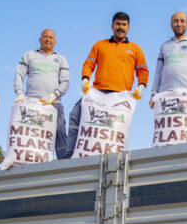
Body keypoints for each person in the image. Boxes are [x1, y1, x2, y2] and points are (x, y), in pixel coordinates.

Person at [63, 11, 149, 158]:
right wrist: (85, 79)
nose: (120, 28)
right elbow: (89, 64)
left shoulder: (135, 49)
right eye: (118, 24)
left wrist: (142, 86)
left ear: (128, 27)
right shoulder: (100, 45)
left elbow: (143, 70)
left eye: (123, 25)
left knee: (114, 126)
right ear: (112, 25)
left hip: (120, 96)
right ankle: (70, 153)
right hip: (98, 93)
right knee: (75, 114)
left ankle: (116, 156)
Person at [14, 29, 71, 158]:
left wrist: (54, 95)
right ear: (40, 40)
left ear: (55, 41)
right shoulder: (29, 55)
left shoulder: (61, 59)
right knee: (31, 134)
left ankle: (65, 162)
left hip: (54, 103)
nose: (48, 39)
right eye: (45, 37)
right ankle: (31, 160)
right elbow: (19, 74)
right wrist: (19, 93)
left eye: (51, 38)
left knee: (60, 133)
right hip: (32, 103)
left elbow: (65, 82)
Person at [150, 11, 187, 107]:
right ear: (171, 24)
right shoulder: (164, 46)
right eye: (176, 21)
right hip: (165, 95)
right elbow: (158, 72)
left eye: (182, 21)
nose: (179, 24)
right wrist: (154, 93)